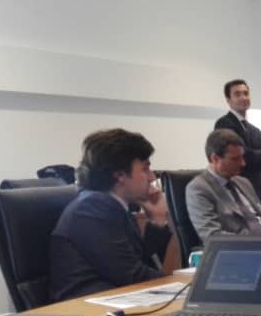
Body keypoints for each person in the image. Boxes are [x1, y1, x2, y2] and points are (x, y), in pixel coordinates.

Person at [51, 129, 173, 301]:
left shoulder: (115, 206)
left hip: (119, 300)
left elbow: (144, 265)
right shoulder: (90, 209)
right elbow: (132, 275)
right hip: (86, 308)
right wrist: (183, 286)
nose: (152, 177)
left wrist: (157, 220)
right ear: (120, 175)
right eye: (145, 169)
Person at [186, 129, 261, 244]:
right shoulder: (198, 189)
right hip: (246, 249)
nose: (243, 163)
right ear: (215, 159)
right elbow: (213, 236)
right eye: (235, 159)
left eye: (242, 157)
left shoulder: (243, 182)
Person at [215, 79, 261, 205]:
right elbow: (239, 157)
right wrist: (258, 155)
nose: (243, 97)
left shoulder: (255, 130)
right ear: (228, 100)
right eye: (237, 94)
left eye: (246, 93)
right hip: (239, 191)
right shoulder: (224, 124)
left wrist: (252, 155)